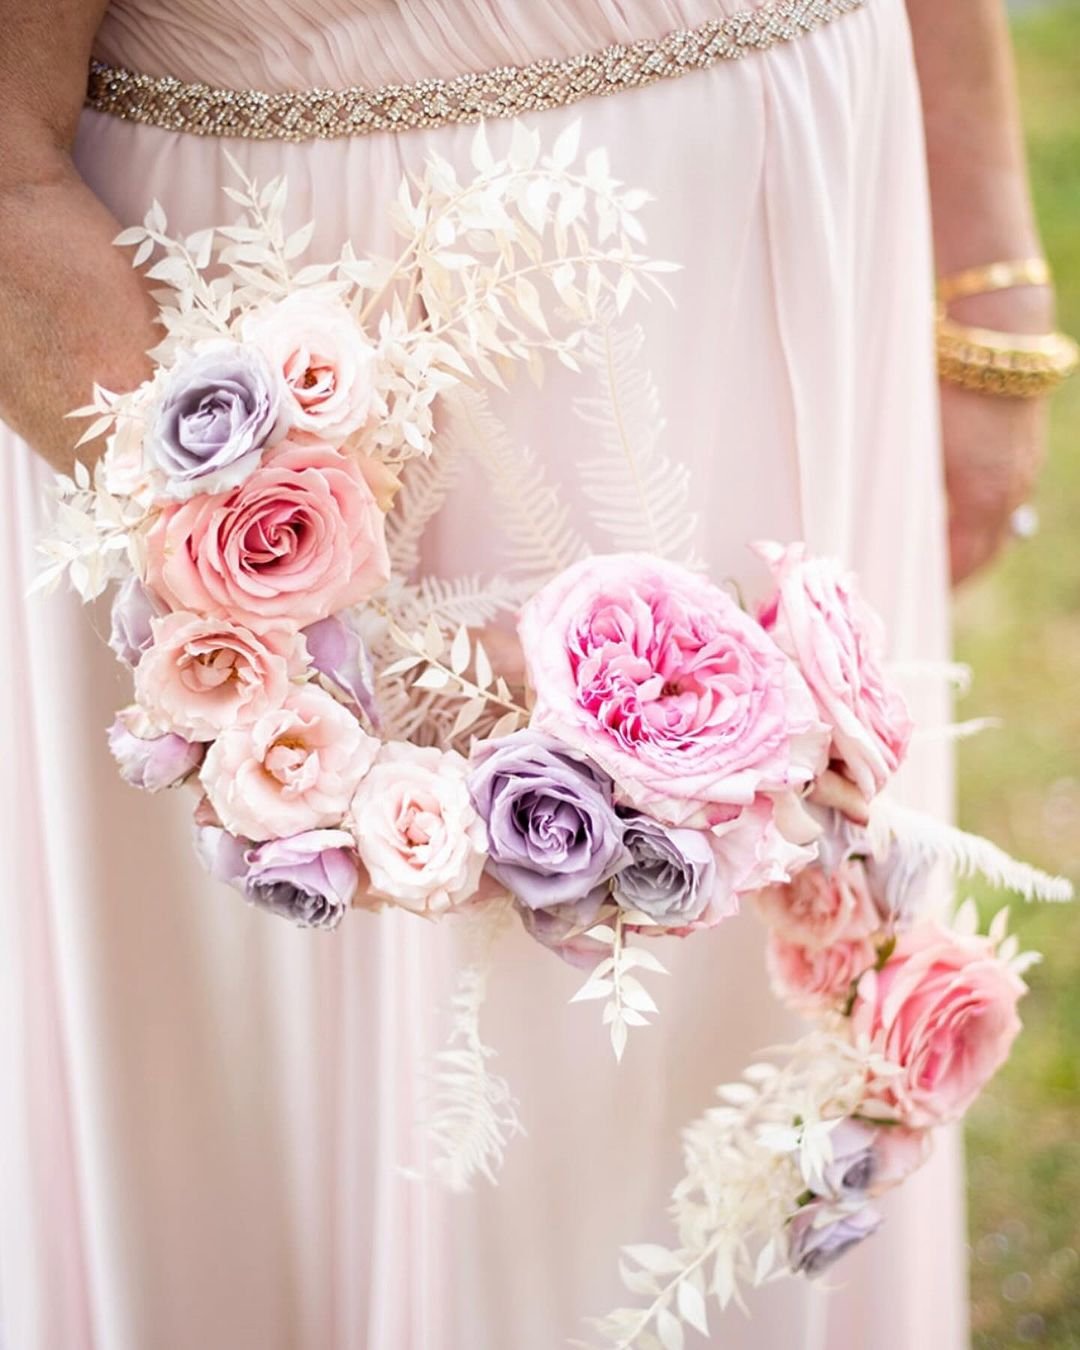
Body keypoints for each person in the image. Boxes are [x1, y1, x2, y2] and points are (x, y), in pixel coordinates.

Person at [0, 2, 1072, 1347]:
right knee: (409, 1101)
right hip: (313, 356)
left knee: (762, 1010)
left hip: (800, 219)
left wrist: (989, 264)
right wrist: (315, 642)